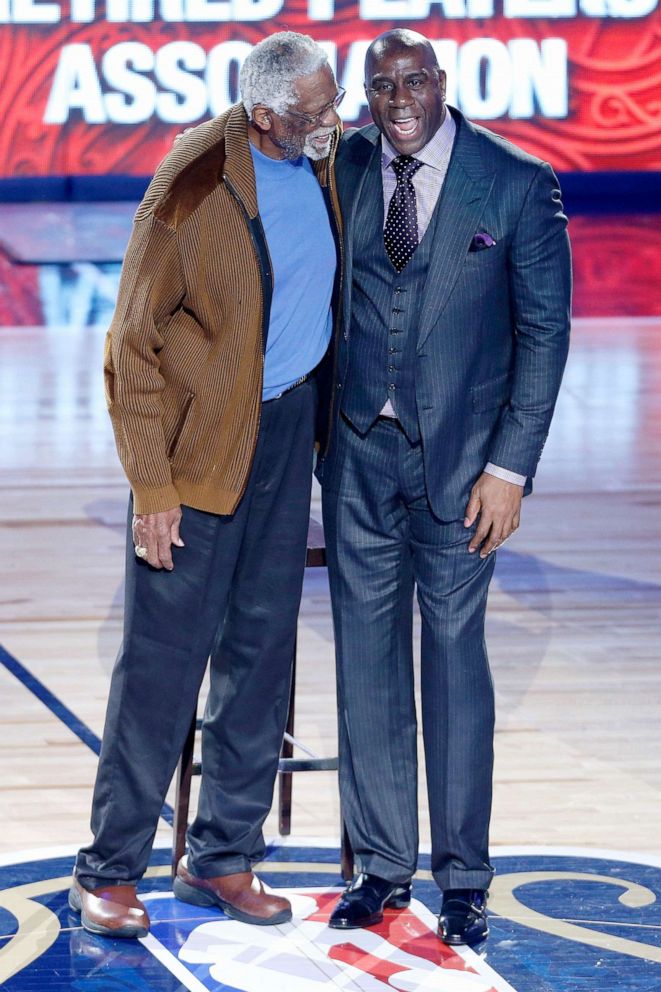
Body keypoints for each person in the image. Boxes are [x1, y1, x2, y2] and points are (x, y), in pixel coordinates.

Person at [69, 31, 343, 939]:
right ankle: (106, 871)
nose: (331, 123)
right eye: (314, 112)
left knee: (260, 661)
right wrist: (152, 485)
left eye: (333, 103)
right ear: (264, 116)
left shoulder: (324, 156)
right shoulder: (189, 190)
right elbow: (130, 349)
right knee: (161, 669)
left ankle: (222, 856)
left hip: (282, 440)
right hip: (193, 460)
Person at [318, 28, 571, 945]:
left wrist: (509, 470)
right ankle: (381, 866)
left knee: (454, 666)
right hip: (355, 459)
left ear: (440, 82)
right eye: (381, 84)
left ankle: (463, 875)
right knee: (365, 666)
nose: (397, 98)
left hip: (465, 471)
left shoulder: (513, 181)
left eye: (412, 80)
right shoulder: (342, 164)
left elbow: (544, 336)